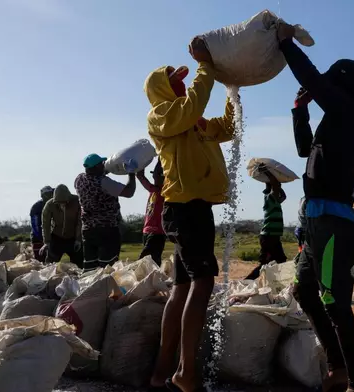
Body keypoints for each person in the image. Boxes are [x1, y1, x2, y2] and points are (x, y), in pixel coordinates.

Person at [278, 22, 354, 392]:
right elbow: (304, 151)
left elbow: (315, 80)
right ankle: (338, 367)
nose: (323, 89)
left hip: (334, 221)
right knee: (304, 291)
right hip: (315, 223)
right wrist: (300, 111)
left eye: (332, 83)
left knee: (334, 301)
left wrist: (286, 44)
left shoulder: (350, 112)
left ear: (343, 84)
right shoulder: (335, 119)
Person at [145, 37, 234, 392]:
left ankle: (160, 371)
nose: (183, 84)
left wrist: (233, 91)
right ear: (162, 89)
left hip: (195, 208)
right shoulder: (162, 116)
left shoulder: (194, 121)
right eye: (176, 80)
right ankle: (186, 371)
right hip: (184, 210)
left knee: (182, 286)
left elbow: (226, 128)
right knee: (203, 280)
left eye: (184, 79)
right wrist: (204, 65)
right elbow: (196, 98)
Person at [74, 153, 136, 269]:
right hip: (107, 228)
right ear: (97, 167)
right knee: (107, 265)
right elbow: (129, 192)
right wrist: (131, 173)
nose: (104, 165)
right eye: (102, 164)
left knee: (90, 265)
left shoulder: (79, 179)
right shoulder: (105, 182)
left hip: (88, 229)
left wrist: (104, 171)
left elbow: (93, 175)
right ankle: (106, 285)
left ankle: (90, 285)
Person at [245, 167, 288, 280]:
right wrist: (267, 173)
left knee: (280, 260)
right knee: (265, 263)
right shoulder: (270, 197)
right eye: (277, 186)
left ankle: (271, 282)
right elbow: (275, 186)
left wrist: (277, 183)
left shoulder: (275, 199)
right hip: (269, 237)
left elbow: (284, 196)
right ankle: (247, 282)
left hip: (273, 236)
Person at [40, 184, 83, 266]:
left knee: (77, 260)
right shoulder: (49, 205)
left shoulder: (77, 202)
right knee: (53, 262)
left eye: (64, 202)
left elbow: (80, 222)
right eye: (59, 203)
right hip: (57, 236)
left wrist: (78, 239)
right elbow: (46, 224)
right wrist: (47, 241)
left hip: (73, 237)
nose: (62, 205)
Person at [136, 160, 166, 266]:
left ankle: (148, 278)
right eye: (154, 174)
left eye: (158, 174)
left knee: (147, 259)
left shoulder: (166, 192)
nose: (155, 177)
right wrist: (142, 162)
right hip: (147, 231)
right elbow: (140, 176)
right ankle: (151, 278)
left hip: (157, 232)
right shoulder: (153, 189)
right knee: (151, 261)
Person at [30, 186, 54, 261]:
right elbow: (35, 225)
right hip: (38, 239)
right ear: (43, 195)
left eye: (51, 193)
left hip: (52, 238)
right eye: (48, 194)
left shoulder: (54, 204)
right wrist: (42, 239)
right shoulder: (36, 207)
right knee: (40, 262)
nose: (50, 195)